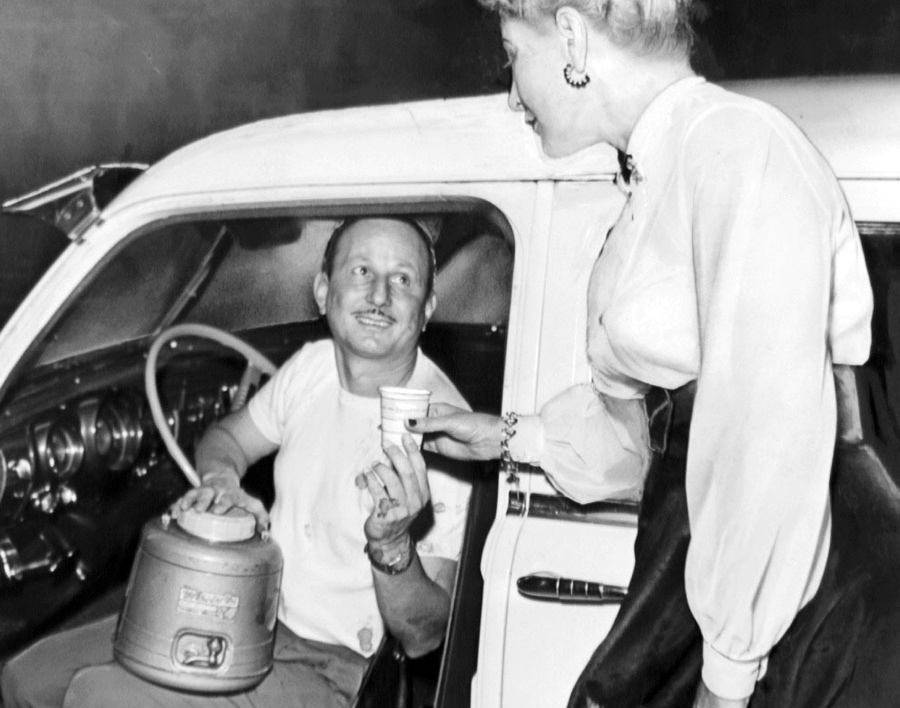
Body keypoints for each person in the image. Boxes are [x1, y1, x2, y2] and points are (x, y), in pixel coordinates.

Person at [410, 2, 875, 707]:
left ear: (571, 37)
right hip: (709, 571)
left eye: (512, 54)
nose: (511, 94)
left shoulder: (737, 146)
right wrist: (507, 437)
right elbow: (653, 442)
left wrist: (728, 675)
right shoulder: (663, 167)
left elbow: (765, 437)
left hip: (809, 597)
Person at [1, 216, 472, 708]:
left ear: (427, 309)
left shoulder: (443, 432)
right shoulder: (313, 366)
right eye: (361, 271)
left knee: (97, 695)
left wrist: (392, 544)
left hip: (338, 668)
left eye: (403, 279)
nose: (379, 295)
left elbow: (423, 635)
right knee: (26, 678)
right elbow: (227, 439)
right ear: (322, 291)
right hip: (251, 608)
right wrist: (223, 480)